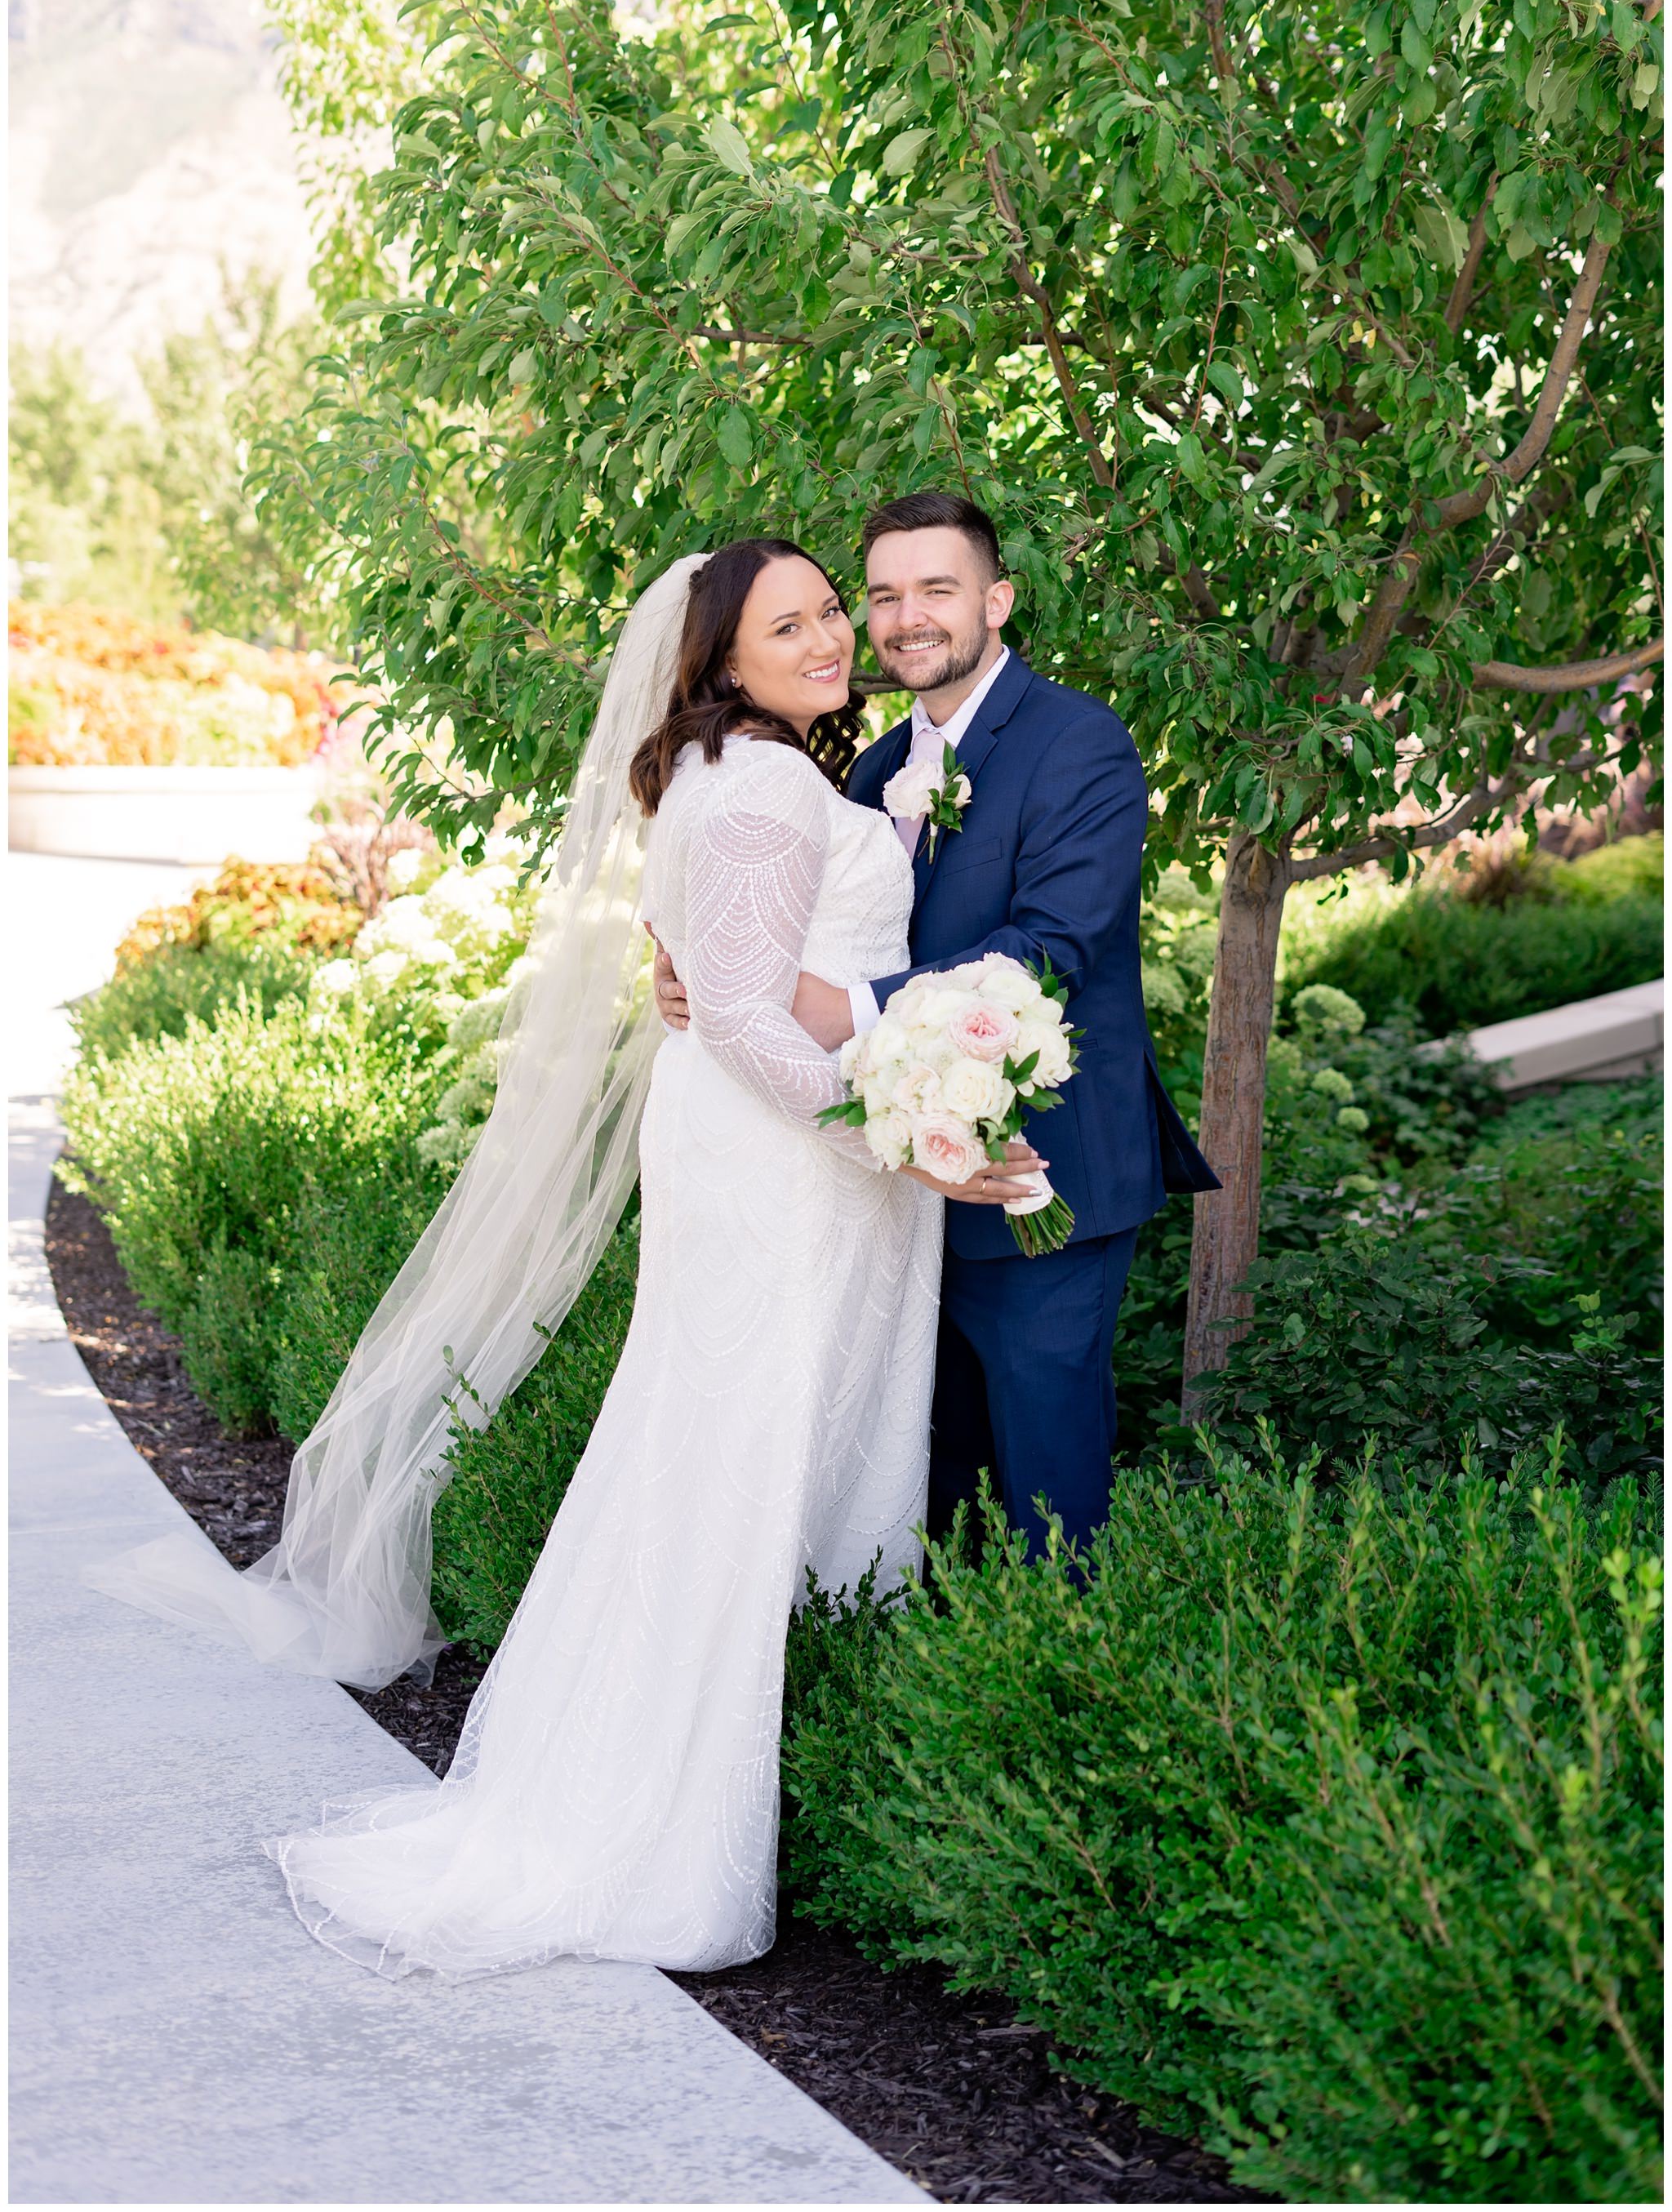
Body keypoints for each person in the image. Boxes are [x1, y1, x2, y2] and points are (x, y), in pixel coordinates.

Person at [89, 540, 1037, 1980]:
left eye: (830, 610)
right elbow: (749, 1019)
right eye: (791, 624)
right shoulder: (773, 783)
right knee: (743, 1470)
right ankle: (665, 1833)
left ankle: (669, 1771)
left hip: (755, 1149)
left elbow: (725, 983)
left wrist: (819, 1052)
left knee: (702, 1456)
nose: (832, 637)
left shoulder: (723, 772)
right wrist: (906, 1133)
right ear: (722, 659)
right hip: (790, 1161)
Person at [656, 493, 1218, 1557]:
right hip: (899, 1183)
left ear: (997, 601)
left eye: (937, 590)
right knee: (930, 1484)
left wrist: (854, 1009)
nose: (906, 616)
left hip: (1034, 1171)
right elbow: (793, 909)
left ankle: (1071, 1701)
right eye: (882, 595)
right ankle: (955, 1707)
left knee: (1049, 1495)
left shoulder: (1078, 742)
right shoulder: (871, 767)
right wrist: (689, 963)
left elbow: (1054, 944)